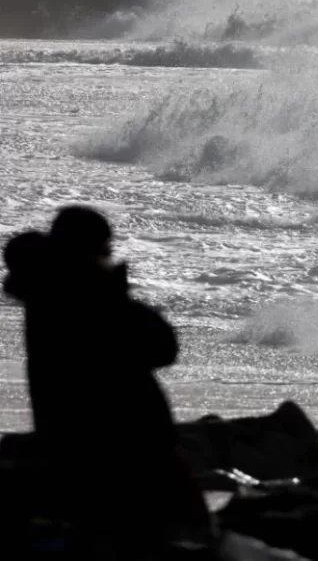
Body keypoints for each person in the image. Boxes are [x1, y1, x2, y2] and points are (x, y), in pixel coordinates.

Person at [3, 205, 212, 557]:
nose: (108, 255)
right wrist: (113, 291)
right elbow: (160, 346)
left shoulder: (49, 292)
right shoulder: (84, 296)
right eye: (104, 247)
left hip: (82, 447)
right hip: (120, 451)